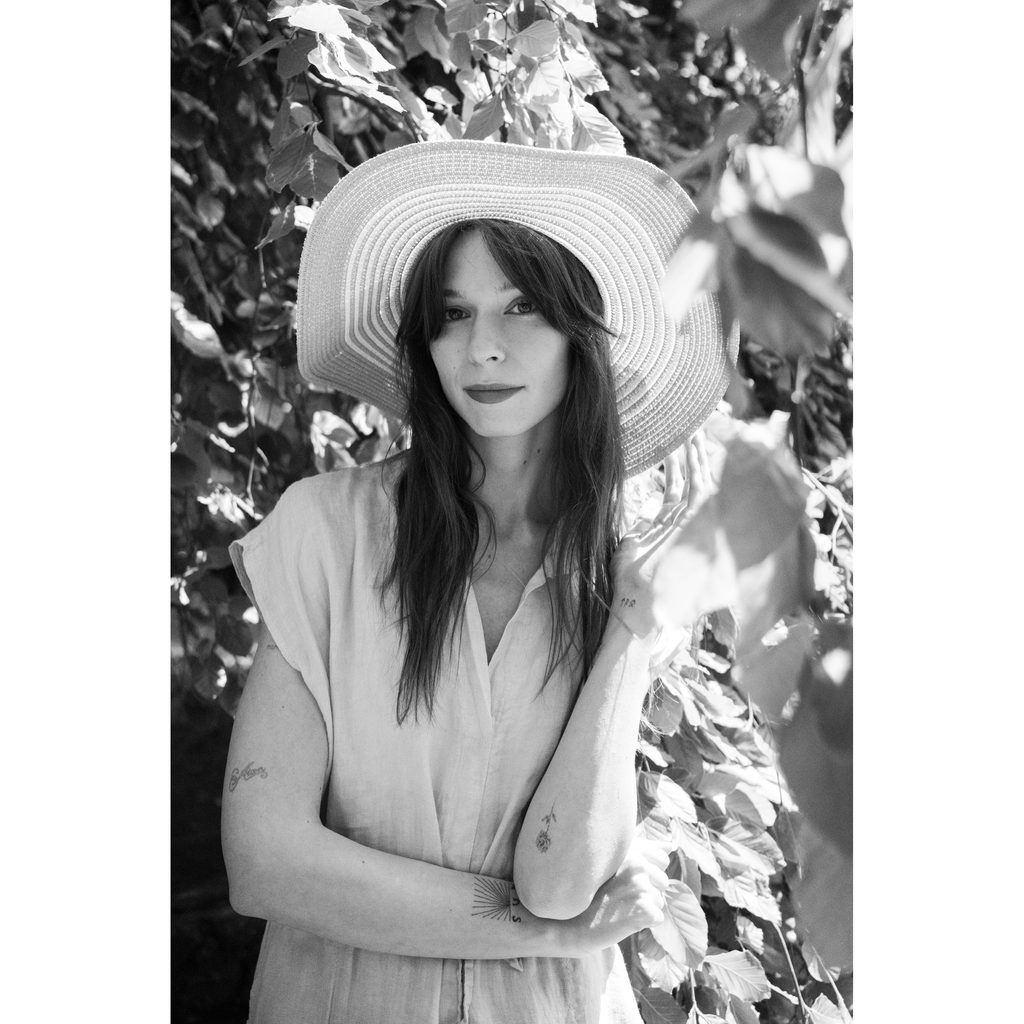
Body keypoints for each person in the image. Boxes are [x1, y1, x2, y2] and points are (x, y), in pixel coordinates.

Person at [222, 139, 737, 1024]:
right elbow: (266, 862)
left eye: (522, 307)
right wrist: (540, 937)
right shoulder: (325, 532)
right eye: (453, 314)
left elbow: (563, 881)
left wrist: (632, 631)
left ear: (584, 330)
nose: (482, 349)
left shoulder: (626, 571)